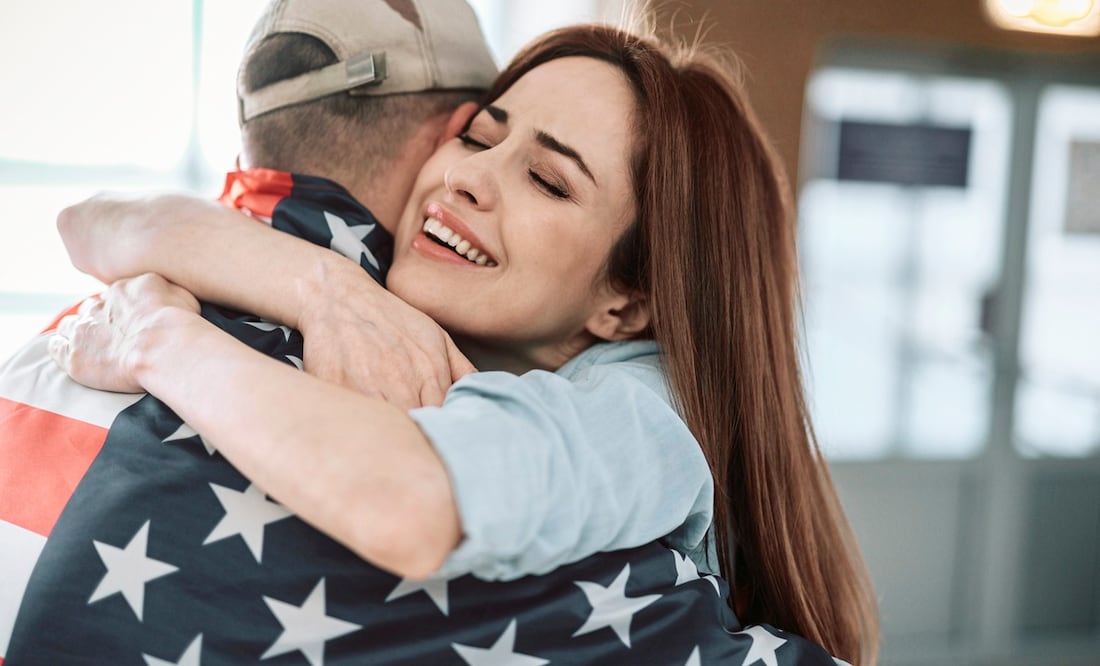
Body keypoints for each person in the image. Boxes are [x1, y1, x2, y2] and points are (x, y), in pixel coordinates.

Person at [50, 22, 880, 666]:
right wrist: (320, 288)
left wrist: (160, 341)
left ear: (627, 302)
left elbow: (402, 504)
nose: (467, 177)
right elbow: (89, 224)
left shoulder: (642, 415)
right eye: (481, 136)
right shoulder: (372, 288)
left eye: (548, 180)